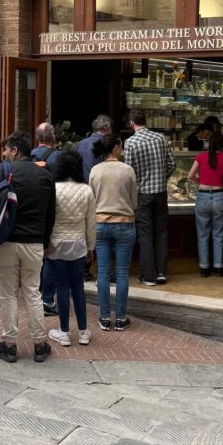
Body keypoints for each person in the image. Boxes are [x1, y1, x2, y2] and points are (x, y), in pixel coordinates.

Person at [0, 130, 55, 364]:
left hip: (5, 242)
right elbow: (51, 212)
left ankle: (10, 345)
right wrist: (45, 241)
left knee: (7, 294)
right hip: (34, 243)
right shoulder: (45, 175)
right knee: (33, 292)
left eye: (6, 149)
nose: (3, 153)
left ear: (15, 150)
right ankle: (40, 344)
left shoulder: (2, 172)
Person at [45, 150, 96, 347]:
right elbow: (91, 222)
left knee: (61, 287)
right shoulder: (86, 190)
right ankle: (83, 330)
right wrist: (91, 247)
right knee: (78, 288)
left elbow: (49, 219)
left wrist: (45, 244)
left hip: (56, 243)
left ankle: (64, 331)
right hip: (78, 244)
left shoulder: (54, 189)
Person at [89, 134, 137, 330]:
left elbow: (91, 200)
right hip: (124, 223)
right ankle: (120, 317)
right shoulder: (127, 170)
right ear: (116, 147)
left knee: (102, 272)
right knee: (122, 273)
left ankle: (104, 317)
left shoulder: (95, 170)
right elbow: (134, 201)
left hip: (100, 223)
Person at [123, 109, 175, 286]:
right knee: (161, 232)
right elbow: (172, 164)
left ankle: (148, 276)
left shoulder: (130, 142)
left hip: (142, 194)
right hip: (160, 192)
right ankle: (161, 272)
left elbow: (129, 172)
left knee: (145, 234)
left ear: (131, 123)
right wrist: (161, 178)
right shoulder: (160, 138)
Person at [187, 132, 223, 277]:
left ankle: (204, 268)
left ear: (209, 143)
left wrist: (201, 182)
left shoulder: (200, 156)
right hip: (219, 197)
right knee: (218, 235)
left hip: (203, 197)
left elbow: (190, 176)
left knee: (203, 235)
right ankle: (219, 267)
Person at [32, 123, 62, 313]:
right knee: (49, 254)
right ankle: (46, 298)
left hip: (31, 210)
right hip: (52, 209)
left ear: (37, 138)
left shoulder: (28, 156)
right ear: (53, 137)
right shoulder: (59, 157)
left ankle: (34, 295)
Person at [76, 114, 112, 182]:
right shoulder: (106, 144)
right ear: (108, 127)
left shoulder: (80, 144)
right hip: (99, 185)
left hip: (81, 186)